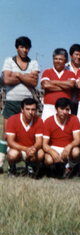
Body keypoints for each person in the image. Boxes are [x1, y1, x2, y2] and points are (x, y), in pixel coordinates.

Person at [0, 36, 40, 173]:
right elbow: (6, 79)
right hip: (12, 101)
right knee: (6, 134)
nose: (24, 50)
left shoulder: (33, 63)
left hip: (28, 104)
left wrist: (17, 75)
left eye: (27, 47)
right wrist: (26, 77)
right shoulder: (8, 61)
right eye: (22, 47)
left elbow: (34, 83)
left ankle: (29, 163)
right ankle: (3, 163)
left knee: (28, 135)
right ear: (17, 48)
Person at [43, 98, 80, 178]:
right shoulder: (48, 121)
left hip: (67, 148)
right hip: (53, 147)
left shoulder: (74, 118)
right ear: (56, 109)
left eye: (67, 109)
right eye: (62, 108)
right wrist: (52, 152)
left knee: (76, 152)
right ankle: (52, 169)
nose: (64, 112)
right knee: (48, 160)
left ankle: (68, 168)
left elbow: (77, 139)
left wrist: (69, 146)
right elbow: (44, 144)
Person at [6, 98, 44, 177]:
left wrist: (34, 148)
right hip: (18, 150)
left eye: (33, 109)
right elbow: (11, 142)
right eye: (27, 109)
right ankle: (12, 168)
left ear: (36, 110)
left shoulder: (39, 120)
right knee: (12, 154)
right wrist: (26, 149)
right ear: (22, 109)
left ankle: (31, 166)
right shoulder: (12, 120)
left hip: (31, 149)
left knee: (40, 153)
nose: (30, 112)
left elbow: (39, 141)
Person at [41, 48, 76, 121]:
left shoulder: (70, 73)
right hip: (49, 107)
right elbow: (45, 85)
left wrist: (53, 82)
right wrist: (65, 87)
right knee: (46, 129)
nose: (57, 61)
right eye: (55, 59)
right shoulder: (47, 71)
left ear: (66, 60)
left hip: (65, 108)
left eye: (60, 59)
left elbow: (71, 85)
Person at [65, 44, 80, 115]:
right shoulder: (65, 68)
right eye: (76, 54)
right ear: (71, 55)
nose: (78, 57)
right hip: (66, 102)